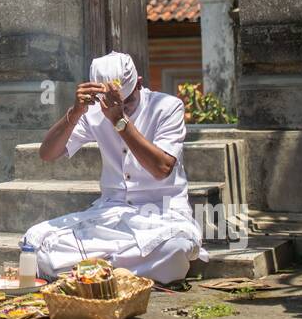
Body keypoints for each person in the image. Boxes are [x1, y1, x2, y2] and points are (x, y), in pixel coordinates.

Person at [25, 52, 206, 283]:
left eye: (127, 102)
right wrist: (74, 113)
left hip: (162, 213)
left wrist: (120, 120)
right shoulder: (94, 112)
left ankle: (91, 272)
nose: (122, 108)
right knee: (35, 243)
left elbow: (162, 169)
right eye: (110, 104)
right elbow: (47, 154)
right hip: (110, 214)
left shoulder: (167, 107)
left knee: (175, 250)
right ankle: (110, 272)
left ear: (139, 83)